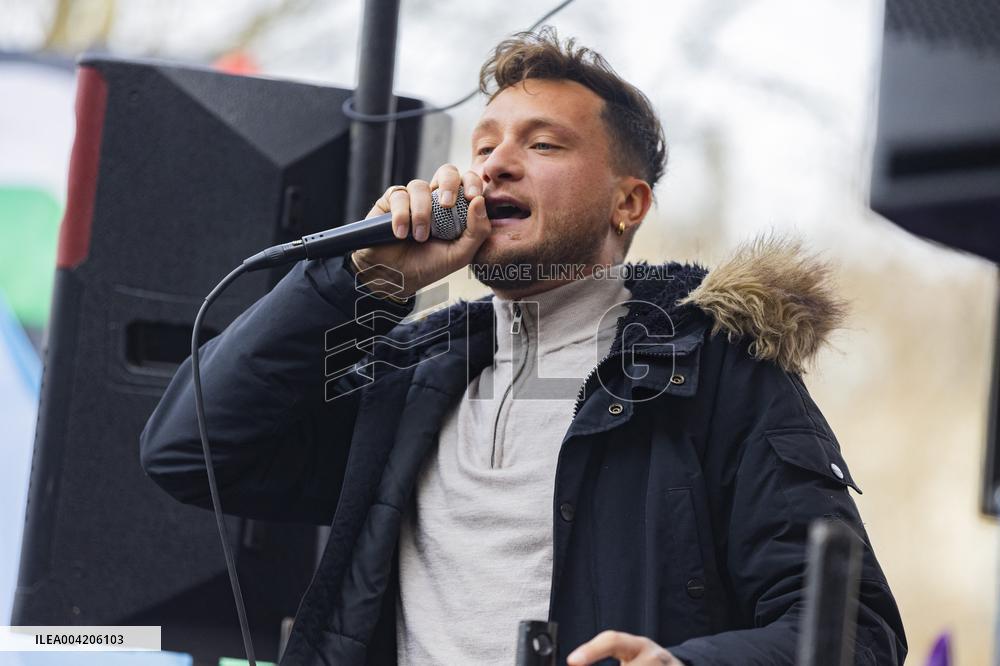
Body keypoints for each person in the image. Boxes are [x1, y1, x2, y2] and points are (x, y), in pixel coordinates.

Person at [140, 28, 906, 666]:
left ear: (628, 202)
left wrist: (684, 665)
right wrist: (356, 283)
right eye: (483, 146)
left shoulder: (716, 372)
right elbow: (191, 449)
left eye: (542, 143)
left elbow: (853, 632)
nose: (495, 165)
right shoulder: (413, 371)